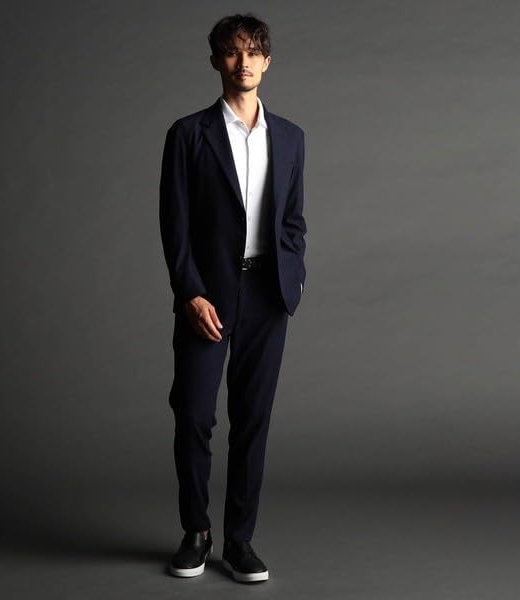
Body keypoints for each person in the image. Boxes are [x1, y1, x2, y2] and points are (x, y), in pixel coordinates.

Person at [159, 13, 307, 583]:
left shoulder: (290, 137)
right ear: (215, 61)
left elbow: (292, 219)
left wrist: (294, 276)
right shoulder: (188, 134)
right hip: (209, 296)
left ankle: (240, 540)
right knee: (194, 414)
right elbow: (175, 225)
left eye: (252, 52)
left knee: (253, 419)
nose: (243, 62)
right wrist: (190, 293)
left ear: (267, 61)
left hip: (268, 294)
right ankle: (196, 532)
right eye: (231, 52)